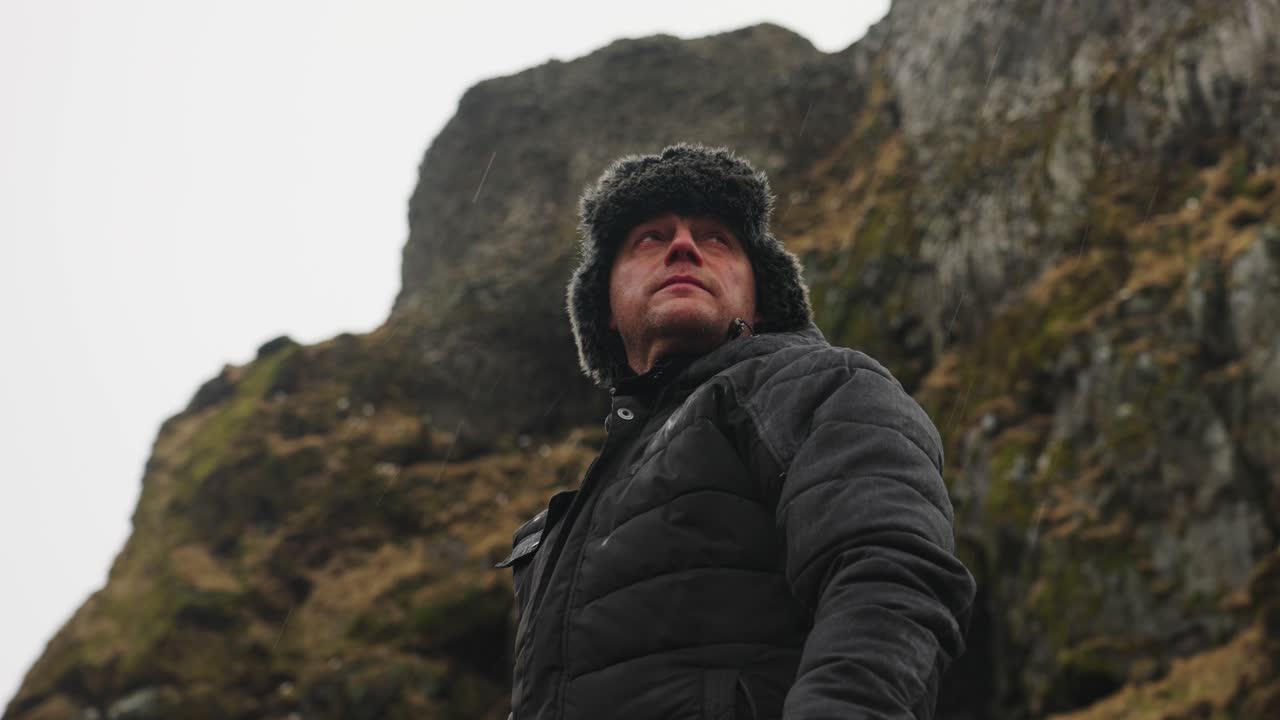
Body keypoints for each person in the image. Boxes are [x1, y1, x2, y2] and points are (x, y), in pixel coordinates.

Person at [496, 144, 975, 719]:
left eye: (716, 239)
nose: (683, 247)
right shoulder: (560, 526)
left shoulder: (822, 386)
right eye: (650, 238)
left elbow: (890, 575)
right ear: (606, 309)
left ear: (761, 299)